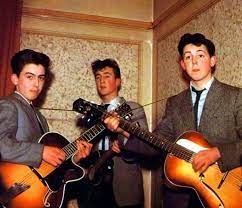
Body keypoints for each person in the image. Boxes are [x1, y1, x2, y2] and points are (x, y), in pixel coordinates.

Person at [104, 33, 242, 208]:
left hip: (226, 194)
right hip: (180, 198)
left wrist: (218, 152)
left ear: (213, 60)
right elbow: (156, 143)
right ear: (183, 65)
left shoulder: (236, 96)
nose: (194, 61)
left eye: (200, 55)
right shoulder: (174, 103)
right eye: (188, 57)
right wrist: (124, 130)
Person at [0, 49, 92, 206]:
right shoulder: (9, 105)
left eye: (40, 78)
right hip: (12, 190)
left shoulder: (39, 117)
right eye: (29, 77)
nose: (36, 84)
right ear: (15, 79)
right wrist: (42, 150)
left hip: (34, 195)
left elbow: (46, 165)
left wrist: (73, 158)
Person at [75, 58, 159, 208]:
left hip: (124, 186)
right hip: (94, 187)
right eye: (98, 77)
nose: (101, 81)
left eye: (107, 76)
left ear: (118, 81)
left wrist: (124, 144)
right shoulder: (91, 112)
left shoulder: (133, 108)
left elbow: (147, 146)